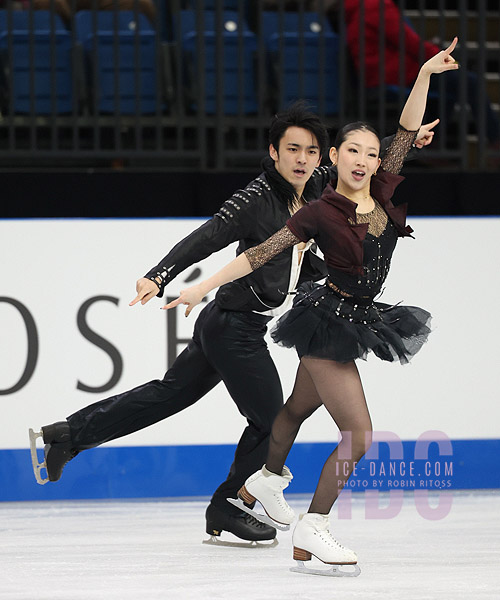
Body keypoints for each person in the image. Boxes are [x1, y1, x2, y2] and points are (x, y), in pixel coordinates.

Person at [30, 103, 436, 545]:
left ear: (324, 156)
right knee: (270, 418)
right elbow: (206, 236)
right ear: (274, 152)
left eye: (311, 151)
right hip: (233, 327)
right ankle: (230, 504)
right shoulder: (254, 199)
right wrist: (160, 275)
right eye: (292, 149)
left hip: (232, 323)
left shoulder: (322, 187)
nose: (302, 159)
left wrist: (409, 142)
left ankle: (68, 435)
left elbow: (367, 165)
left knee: (168, 396)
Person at [162, 39, 459, 573]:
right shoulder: (320, 210)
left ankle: (263, 482)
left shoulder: (383, 189)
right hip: (327, 323)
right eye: (354, 152)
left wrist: (423, 74)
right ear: (334, 158)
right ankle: (313, 528)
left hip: (362, 317)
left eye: (373, 152)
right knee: (359, 435)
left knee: (295, 410)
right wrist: (197, 286)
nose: (366, 160)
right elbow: (257, 254)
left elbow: (408, 130)